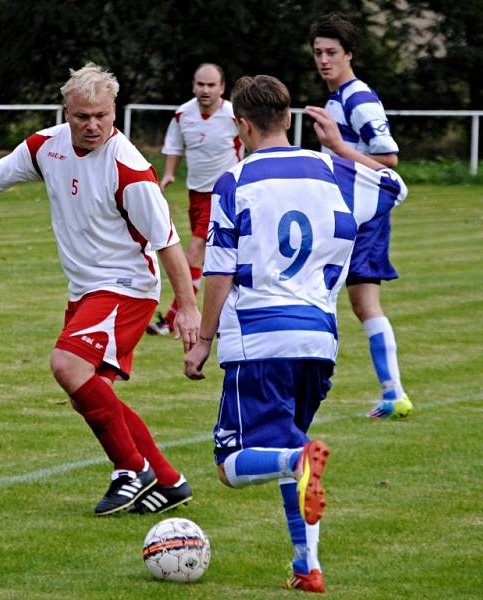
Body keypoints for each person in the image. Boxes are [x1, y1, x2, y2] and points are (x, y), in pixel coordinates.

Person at [0, 63, 200, 516]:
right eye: (82, 116)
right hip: (86, 290)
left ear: (114, 111)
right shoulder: (46, 147)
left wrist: (188, 308)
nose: (93, 125)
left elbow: (169, 242)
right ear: (66, 113)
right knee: (91, 391)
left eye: (102, 115)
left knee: (66, 365)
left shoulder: (131, 169)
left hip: (127, 288)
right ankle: (169, 481)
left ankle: (131, 471)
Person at [184, 75, 408, 593]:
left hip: (260, 341)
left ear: (239, 125)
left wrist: (202, 340)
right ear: (289, 119)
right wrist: (340, 146)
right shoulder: (332, 169)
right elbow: (396, 188)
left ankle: (296, 459)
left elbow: (219, 272)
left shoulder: (234, 181)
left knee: (233, 462)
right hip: (319, 343)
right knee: (292, 454)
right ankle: (307, 567)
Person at [310, 13, 413, 419]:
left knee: (330, 295)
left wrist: (336, 146)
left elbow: (389, 160)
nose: (323, 60)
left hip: (364, 217)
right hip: (350, 214)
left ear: (349, 54)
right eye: (318, 52)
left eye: (332, 52)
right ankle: (392, 393)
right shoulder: (337, 98)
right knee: (357, 302)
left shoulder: (358, 98)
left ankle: (385, 391)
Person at [146, 63, 243, 335]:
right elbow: (174, 148)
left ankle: (175, 317)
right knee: (216, 258)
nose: (205, 90)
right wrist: (167, 175)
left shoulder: (234, 116)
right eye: (201, 84)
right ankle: (224, 318)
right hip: (196, 195)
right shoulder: (182, 115)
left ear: (222, 88)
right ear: (193, 86)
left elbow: (255, 142)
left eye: (211, 85)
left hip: (225, 195)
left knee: (194, 251)